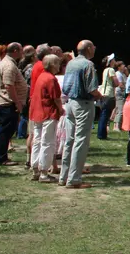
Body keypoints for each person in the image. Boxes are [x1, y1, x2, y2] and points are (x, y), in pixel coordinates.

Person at [59, 40, 101, 188]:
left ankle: (64, 177)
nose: (95, 49)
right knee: (81, 141)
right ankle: (74, 179)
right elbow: (92, 89)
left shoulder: (71, 63)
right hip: (83, 104)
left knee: (69, 140)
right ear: (88, 48)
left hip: (70, 103)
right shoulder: (88, 65)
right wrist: (100, 96)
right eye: (93, 46)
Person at [29, 54, 63, 182]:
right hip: (48, 113)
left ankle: (35, 169)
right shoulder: (51, 78)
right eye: (58, 63)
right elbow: (56, 98)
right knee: (48, 142)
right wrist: (61, 109)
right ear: (53, 64)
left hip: (37, 113)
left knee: (37, 141)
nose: (59, 66)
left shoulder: (41, 76)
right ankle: (44, 172)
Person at [0, 43, 26, 166]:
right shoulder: (8, 65)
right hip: (8, 103)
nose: (22, 52)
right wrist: (17, 103)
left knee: (2, 130)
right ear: (15, 50)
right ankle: (1, 158)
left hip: (5, 102)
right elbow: (8, 85)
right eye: (21, 50)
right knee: (5, 131)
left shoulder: (6, 62)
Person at [97, 57, 120, 140]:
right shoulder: (111, 70)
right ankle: (101, 135)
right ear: (110, 62)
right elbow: (116, 82)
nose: (115, 60)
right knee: (105, 115)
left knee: (103, 114)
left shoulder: (105, 70)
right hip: (108, 94)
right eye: (113, 59)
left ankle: (102, 134)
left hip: (103, 93)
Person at [112, 61, 127, 133]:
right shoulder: (118, 74)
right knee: (120, 110)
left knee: (121, 109)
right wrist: (127, 90)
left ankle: (120, 126)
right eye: (122, 65)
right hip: (120, 93)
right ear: (119, 67)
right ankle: (116, 126)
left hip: (122, 93)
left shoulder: (122, 74)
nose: (124, 66)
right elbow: (120, 85)